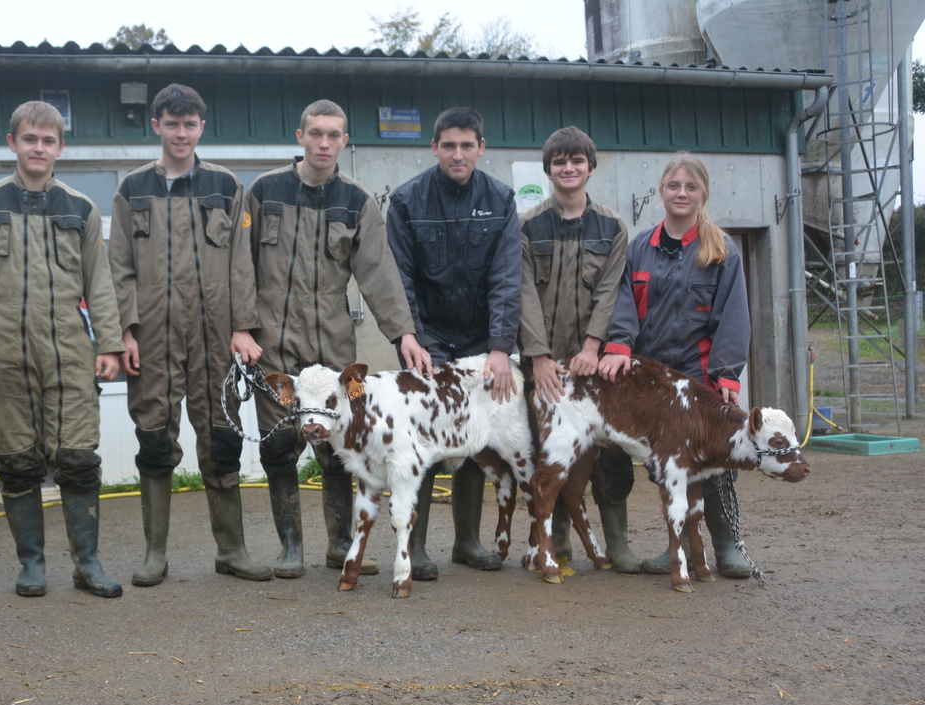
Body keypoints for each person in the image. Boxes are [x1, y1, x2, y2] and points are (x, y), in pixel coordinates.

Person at [246, 99, 431, 579]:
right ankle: (290, 550)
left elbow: (379, 274)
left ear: (344, 141)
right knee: (278, 446)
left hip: (332, 346)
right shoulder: (264, 191)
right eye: (315, 133)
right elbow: (239, 269)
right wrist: (241, 328)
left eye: (333, 135)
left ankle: (339, 545)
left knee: (335, 448)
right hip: (273, 346)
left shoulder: (357, 201)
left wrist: (403, 334)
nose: (324, 142)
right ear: (300, 136)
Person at [0, 100, 124, 598]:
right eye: (30, 139)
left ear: (60, 148)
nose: (39, 148)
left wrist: (108, 344)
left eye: (48, 141)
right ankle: (32, 565)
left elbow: (101, 282)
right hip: (1, 344)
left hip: (69, 345)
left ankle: (87, 563)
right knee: (18, 459)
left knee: (77, 458)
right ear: (12, 143)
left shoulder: (81, 208)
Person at [110, 83, 272, 586]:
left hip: (215, 334)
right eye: (172, 123)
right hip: (154, 335)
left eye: (190, 124)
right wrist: (126, 332)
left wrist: (244, 326)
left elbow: (242, 263)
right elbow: (119, 267)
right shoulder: (131, 189)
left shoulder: (226, 187)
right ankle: (155, 555)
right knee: (155, 439)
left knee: (222, 438)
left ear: (201, 127)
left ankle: (232, 550)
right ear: (155, 125)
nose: (181, 133)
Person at [597, 151, 752, 578]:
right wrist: (620, 346)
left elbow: (733, 317)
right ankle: (679, 548)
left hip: (702, 379)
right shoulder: (639, 249)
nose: (681, 193)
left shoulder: (722, 250)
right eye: (674, 186)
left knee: (716, 462)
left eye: (691, 187)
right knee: (665, 466)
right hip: (654, 380)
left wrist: (726, 375)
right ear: (661, 192)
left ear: (703, 194)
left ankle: (727, 546)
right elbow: (624, 305)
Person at [387, 106, 522, 580]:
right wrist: (412, 338)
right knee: (420, 441)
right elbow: (399, 278)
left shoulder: (501, 200)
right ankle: (417, 547)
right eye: (449, 145)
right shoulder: (406, 202)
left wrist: (501, 347)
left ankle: (467, 542)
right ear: (434, 148)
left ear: (481, 148)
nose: (458, 154)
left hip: (482, 341)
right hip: (426, 341)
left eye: (467, 145)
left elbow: (507, 278)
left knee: (472, 438)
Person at [517, 126, 642, 573]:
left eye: (576, 161)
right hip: (545, 364)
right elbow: (523, 292)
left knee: (608, 452)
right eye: (559, 162)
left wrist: (593, 347)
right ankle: (560, 539)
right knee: (551, 451)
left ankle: (618, 543)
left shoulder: (613, 227)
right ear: (548, 169)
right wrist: (538, 355)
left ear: (590, 166)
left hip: (596, 365)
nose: (568, 168)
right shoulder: (528, 225)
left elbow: (611, 290)